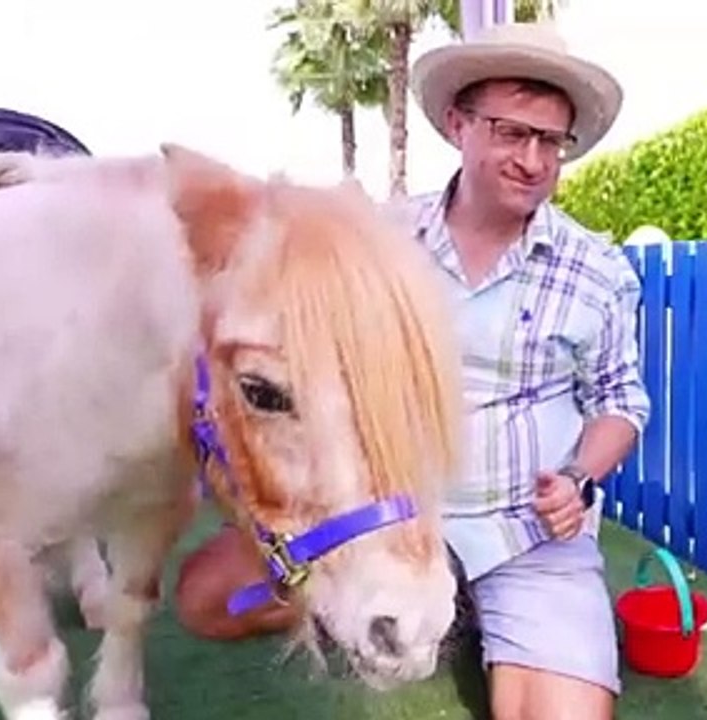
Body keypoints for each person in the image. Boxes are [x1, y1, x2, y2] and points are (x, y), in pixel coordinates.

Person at [173, 21, 648, 720]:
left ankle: (481, 618)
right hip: (381, 516)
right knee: (206, 602)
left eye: (551, 141)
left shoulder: (599, 270)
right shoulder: (380, 244)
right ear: (459, 124)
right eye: (512, 132)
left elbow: (621, 400)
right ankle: (403, 604)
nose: (534, 158)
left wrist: (580, 477)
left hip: (527, 537)